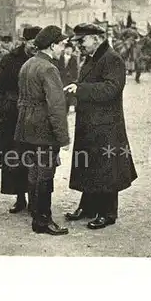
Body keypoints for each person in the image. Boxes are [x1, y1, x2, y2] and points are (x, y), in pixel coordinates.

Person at [64, 23, 137, 230]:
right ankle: (87, 207)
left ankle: (108, 213)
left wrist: (81, 89)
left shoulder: (112, 58)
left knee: (106, 169)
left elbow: (111, 89)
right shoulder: (92, 57)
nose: (79, 45)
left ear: (96, 38)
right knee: (89, 165)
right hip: (90, 123)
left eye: (82, 40)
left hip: (106, 125)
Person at [14, 25, 70, 236]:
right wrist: (62, 136)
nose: (63, 49)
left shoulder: (28, 64)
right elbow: (56, 106)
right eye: (62, 44)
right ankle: (43, 220)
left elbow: (22, 98)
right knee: (45, 174)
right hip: (44, 128)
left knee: (34, 172)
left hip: (27, 126)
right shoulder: (49, 68)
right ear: (52, 45)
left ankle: (37, 215)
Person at [0, 26, 42, 214]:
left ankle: (35, 199)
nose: (36, 47)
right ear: (24, 41)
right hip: (12, 117)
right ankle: (20, 198)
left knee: (35, 158)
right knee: (15, 159)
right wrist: (4, 107)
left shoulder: (43, 60)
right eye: (33, 43)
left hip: (35, 117)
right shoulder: (9, 60)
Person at [57, 41, 79, 113]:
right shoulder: (60, 57)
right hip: (61, 79)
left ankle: (69, 107)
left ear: (72, 50)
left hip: (70, 80)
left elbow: (75, 69)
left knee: (69, 95)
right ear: (64, 49)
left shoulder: (74, 58)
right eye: (67, 48)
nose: (68, 50)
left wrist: (74, 78)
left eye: (70, 49)